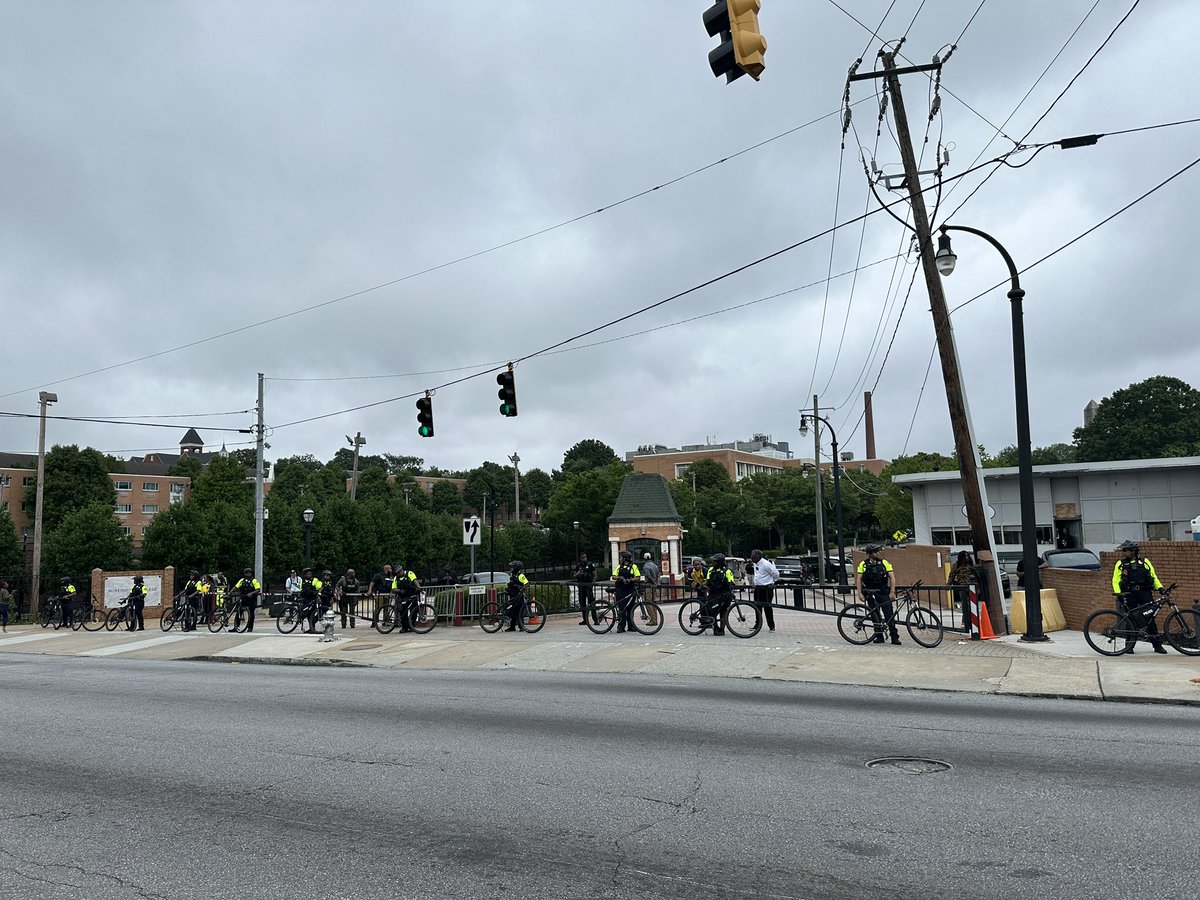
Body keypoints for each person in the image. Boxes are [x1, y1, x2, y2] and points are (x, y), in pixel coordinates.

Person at [1112, 540, 1167, 654]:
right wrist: (1118, 594)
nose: (1123, 553)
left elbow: (1153, 576)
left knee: (1150, 617)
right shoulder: (1120, 564)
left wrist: (1160, 588)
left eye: (1125, 551)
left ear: (1133, 552)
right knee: (1131, 619)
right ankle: (1129, 646)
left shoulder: (1145, 562)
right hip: (1129, 594)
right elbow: (1116, 580)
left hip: (1144, 593)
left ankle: (1157, 645)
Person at [856, 544, 899, 645]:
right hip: (870, 593)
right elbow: (859, 579)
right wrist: (860, 593)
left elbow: (892, 577)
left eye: (878, 551)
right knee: (875, 615)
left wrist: (892, 592)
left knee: (889, 615)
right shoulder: (863, 564)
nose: (877, 553)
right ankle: (879, 636)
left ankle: (894, 637)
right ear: (869, 554)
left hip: (883, 592)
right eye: (875, 552)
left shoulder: (884, 562)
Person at [611, 551, 641, 633]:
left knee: (631, 609)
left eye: (621, 557)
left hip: (630, 590)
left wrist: (630, 580)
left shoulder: (633, 566)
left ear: (625, 558)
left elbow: (638, 577)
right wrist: (620, 578)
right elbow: (613, 576)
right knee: (622, 609)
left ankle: (631, 626)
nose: (620, 559)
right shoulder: (619, 567)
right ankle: (621, 626)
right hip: (620, 590)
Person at [705, 554, 735, 636]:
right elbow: (707, 581)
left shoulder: (727, 571)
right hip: (713, 595)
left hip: (724, 595)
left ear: (719, 562)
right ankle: (715, 628)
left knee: (723, 611)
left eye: (714, 561)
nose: (712, 562)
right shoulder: (711, 570)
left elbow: (731, 583)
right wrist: (701, 585)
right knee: (712, 611)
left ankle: (722, 629)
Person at [749, 550, 779, 632]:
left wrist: (772, 582)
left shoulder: (766, 564)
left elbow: (775, 573)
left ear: (758, 557)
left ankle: (771, 626)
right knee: (757, 607)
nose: (751, 559)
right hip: (758, 588)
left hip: (766, 588)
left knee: (767, 607)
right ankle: (757, 625)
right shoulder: (755, 563)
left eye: (753, 557)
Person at [948, 550, 975, 630]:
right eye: (965, 556)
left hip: (971, 588)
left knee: (972, 606)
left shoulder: (970, 565)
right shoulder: (957, 565)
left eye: (967, 556)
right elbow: (951, 576)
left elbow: (976, 575)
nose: (966, 558)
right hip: (962, 588)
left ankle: (971, 623)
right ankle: (965, 622)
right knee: (965, 606)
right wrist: (948, 585)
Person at [391, 563, 421, 633]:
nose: (399, 573)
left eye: (400, 572)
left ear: (402, 570)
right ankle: (404, 627)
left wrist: (418, 587)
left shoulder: (409, 573)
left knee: (414, 611)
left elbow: (415, 580)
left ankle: (412, 626)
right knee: (403, 612)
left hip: (412, 595)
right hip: (403, 597)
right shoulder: (396, 578)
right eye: (397, 573)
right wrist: (400, 591)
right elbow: (393, 589)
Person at [504, 560, 529, 632]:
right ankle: (512, 627)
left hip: (519, 596)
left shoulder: (521, 575)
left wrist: (523, 588)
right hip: (513, 595)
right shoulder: (512, 575)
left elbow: (526, 583)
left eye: (512, 567)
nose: (511, 569)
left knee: (519, 611)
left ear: (516, 568)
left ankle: (521, 627)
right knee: (513, 611)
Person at [233, 568, 261, 632]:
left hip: (252, 599)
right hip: (244, 598)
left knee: (251, 613)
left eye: (249, 573)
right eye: (246, 573)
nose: (248, 574)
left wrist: (251, 593)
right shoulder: (242, 580)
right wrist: (229, 593)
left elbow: (258, 589)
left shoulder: (254, 581)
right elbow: (236, 587)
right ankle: (236, 626)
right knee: (239, 611)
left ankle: (250, 627)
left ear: (251, 573)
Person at [639, 552, 661, 628]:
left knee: (648, 603)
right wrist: (656, 583)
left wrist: (652, 581)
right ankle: (655, 619)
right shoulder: (655, 565)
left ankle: (652, 620)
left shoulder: (645, 566)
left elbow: (648, 576)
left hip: (648, 586)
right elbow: (658, 575)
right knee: (653, 603)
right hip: (654, 586)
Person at [298, 567, 322, 633]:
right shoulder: (302, 581)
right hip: (305, 599)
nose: (309, 575)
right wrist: (299, 597)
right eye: (308, 574)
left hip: (312, 599)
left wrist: (318, 594)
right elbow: (300, 590)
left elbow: (320, 587)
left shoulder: (315, 580)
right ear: (305, 575)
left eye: (310, 574)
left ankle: (312, 628)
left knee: (312, 613)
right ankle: (311, 628)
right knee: (307, 614)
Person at [575, 552, 596, 626]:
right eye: (583, 557)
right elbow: (575, 575)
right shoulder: (578, 566)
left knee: (592, 603)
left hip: (588, 586)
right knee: (582, 604)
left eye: (585, 557)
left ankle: (595, 620)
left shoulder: (590, 564)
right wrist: (577, 575)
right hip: (581, 586)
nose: (585, 559)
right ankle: (585, 620)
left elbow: (595, 575)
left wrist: (592, 584)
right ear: (580, 558)